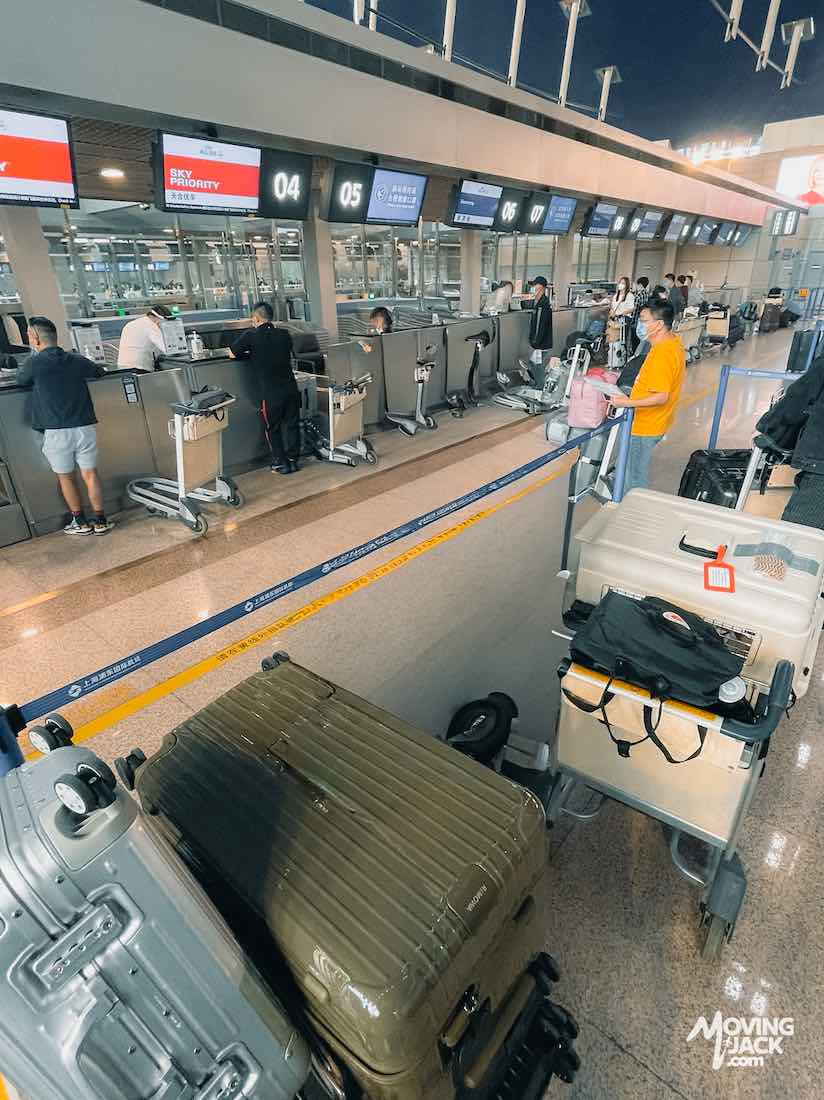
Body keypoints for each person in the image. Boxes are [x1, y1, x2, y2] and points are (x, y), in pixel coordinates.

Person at [15, 316, 114, 535]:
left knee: (66, 477)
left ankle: (80, 522)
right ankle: (100, 520)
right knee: (91, 475)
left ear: (34, 338)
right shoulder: (76, 359)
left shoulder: (34, 363)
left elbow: (21, 381)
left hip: (56, 431)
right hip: (84, 427)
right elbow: (99, 371)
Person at [611, 298, 686, 492]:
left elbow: (661, 396)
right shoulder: (672, 342)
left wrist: (627, 402)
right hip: (656, 421)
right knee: (630, 469)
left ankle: (633, 514)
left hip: (646, 426)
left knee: (634, 477)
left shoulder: (662, 353)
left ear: (659, 324)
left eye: (644, 321)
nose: (639, 325)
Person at [230, 301, 300, 475]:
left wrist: (251, 352)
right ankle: (293, 460)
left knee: (273, 428)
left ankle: (280, 462)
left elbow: (232, 353)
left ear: (256, 318)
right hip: (291, 388)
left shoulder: (250, 336)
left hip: (271, 393)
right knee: (292, 424)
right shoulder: (285, 334)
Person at [117, 305, 173, 371]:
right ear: (157, 318)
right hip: (139, 368)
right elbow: (167, 350)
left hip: (122, 367)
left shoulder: (133, 323)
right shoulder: (151, 326)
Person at [519, 275, 553, 383]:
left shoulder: (542, 304)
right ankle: (538, 387)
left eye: (536, 285)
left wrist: (535, 342)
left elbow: (540, 325)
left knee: (536, 367)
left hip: (540, 344)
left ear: (542, 287)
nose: (534, 287)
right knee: (535, 366)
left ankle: (540, 388)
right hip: (541, 343)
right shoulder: (539, 302)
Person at [630, 276, 650, 351]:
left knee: (634, 340)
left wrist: (632, 322)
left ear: (640, 285)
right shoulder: (647, 294)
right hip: (643, 321)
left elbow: (634, 310)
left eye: (637, 285)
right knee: (640, 340)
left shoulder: (638, 296)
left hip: (636, 321)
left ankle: (634, 354)